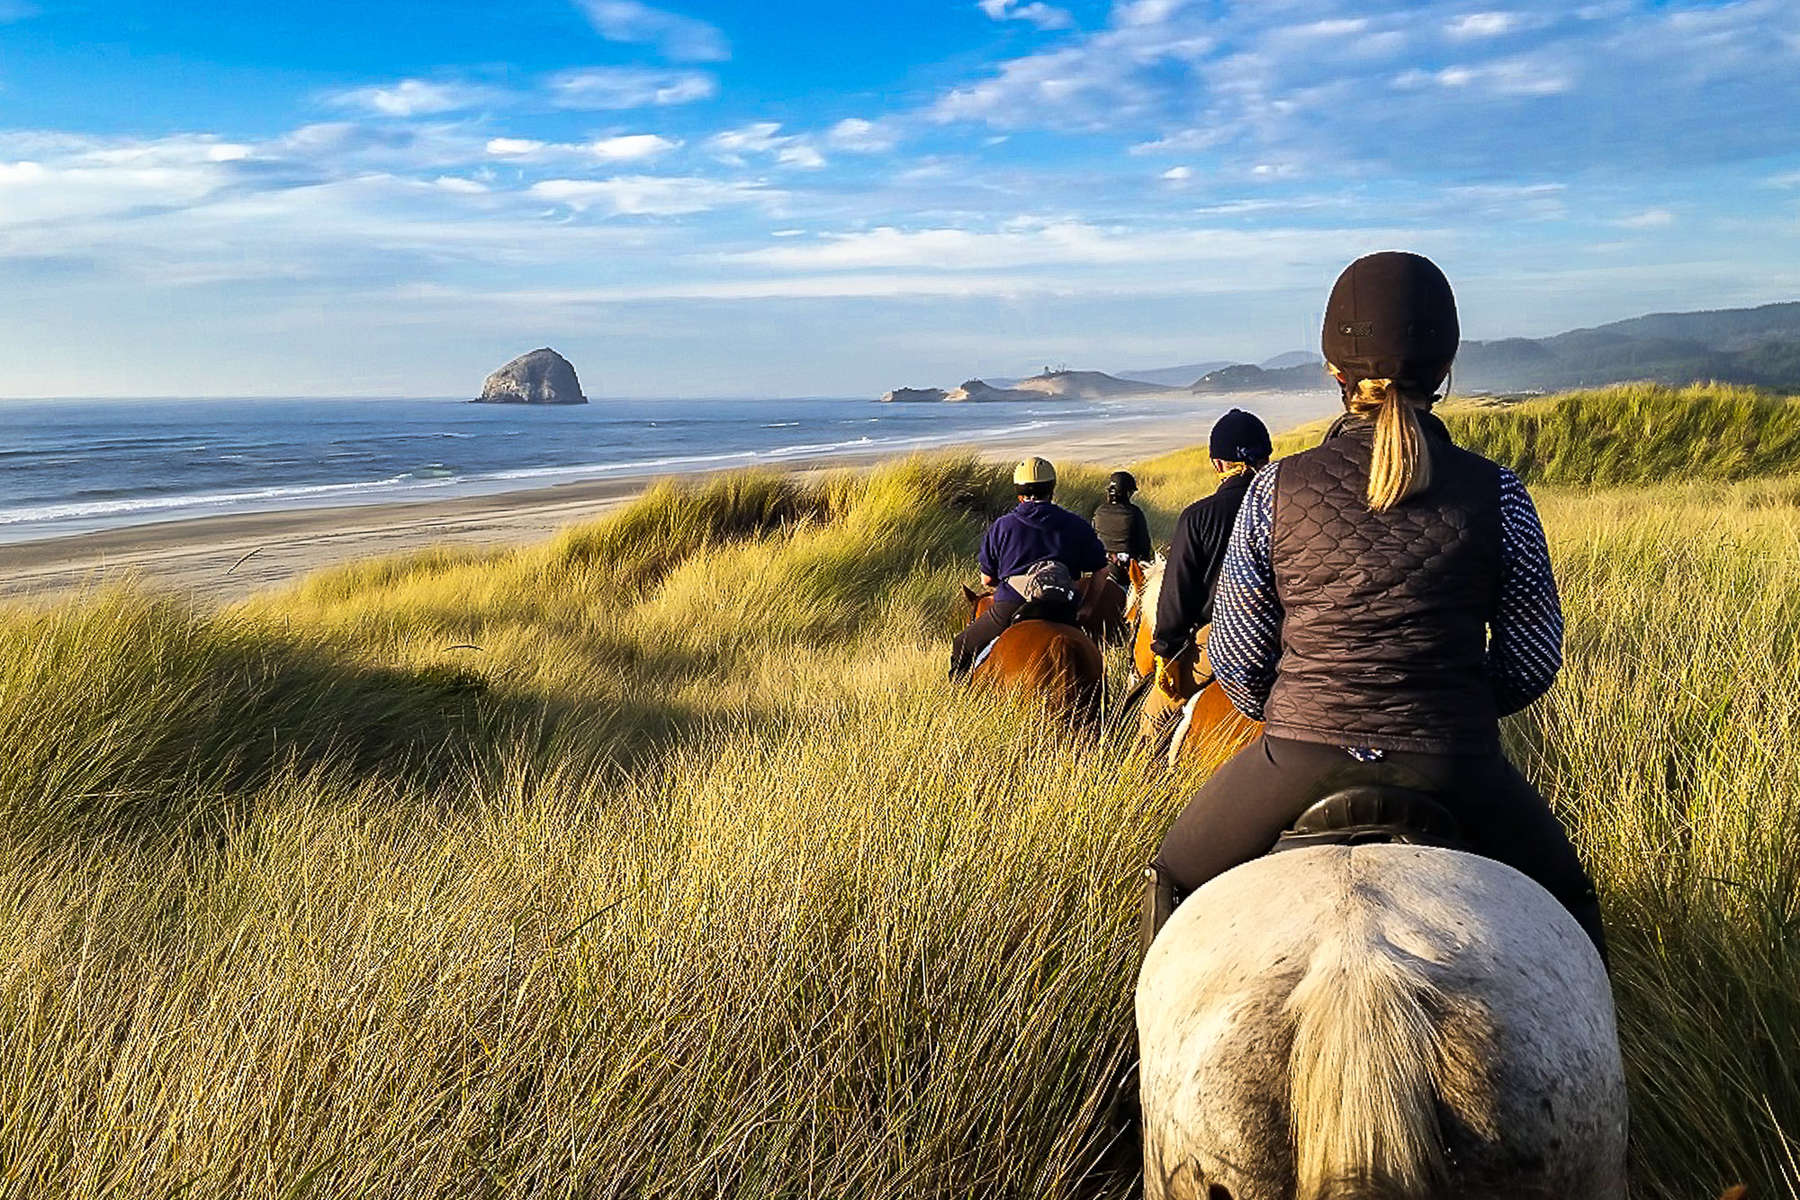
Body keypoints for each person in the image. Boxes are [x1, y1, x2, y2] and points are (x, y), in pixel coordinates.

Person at [1141, 251, 1606, 958]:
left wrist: (1305, 706)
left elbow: (1235, 656)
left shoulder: (1274, 491)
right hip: (1455, 760)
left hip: (1298, 754)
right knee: (1571, 901)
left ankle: (1137, 1069)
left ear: (1335, 374)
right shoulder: (1500, 492)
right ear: (1444, 372)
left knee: (1173, 875)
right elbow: (1532, 660)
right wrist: (1448, 703)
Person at [1138, 409, 1271, 749]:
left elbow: (1176, 596)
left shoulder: (1198, 517)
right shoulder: (1287, 506)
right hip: (1289, 633)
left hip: (1219, 639)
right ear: (1268, 458)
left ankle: (1145, 778)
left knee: (1153, 716)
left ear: (1218, 464)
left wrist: (1165, 650)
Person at [950, 456, 1108, 678]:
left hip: (1012, 605)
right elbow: (1101, 570)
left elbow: (987, 580)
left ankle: (959, 703)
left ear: (1019, 492)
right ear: (1051, 489)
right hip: (1064, 606)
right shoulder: (1076, 524)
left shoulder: (1002, 526)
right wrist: (1088, 607)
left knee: (962, 645)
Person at [1090, 470, 1154, 589]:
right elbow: (1144, 546)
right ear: (1127, 493)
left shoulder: (1099, 511)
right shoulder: (1134, 513)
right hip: (1125, 575)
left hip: (1100, 570)